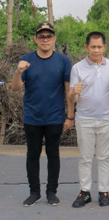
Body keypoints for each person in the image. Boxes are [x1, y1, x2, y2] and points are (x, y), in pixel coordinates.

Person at [11, 22, 73, 206]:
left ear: (54, 39)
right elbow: (15, 88)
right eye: (41, 36)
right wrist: (18, 71)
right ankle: (34, 192)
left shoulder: (63, 61)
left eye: (48, 36)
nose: (45, 39)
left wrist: (70, 116)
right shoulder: (26, 60)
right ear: (35, 39)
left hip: (55, 117)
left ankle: (52, 192)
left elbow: (69, 90)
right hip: (32, 117)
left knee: (53, 155)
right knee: (33, 155)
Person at [67, 31, 109, 208]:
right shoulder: (77, 68)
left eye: (99, 47)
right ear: (86, 47)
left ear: (104, 47)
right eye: (93, 47)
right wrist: (74, 93)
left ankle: (104, 192)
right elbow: (72, 98)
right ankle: (85, 192)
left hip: (107, 118)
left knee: (105, 157)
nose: (96, 50)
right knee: (85, 157)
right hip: (84, 119)